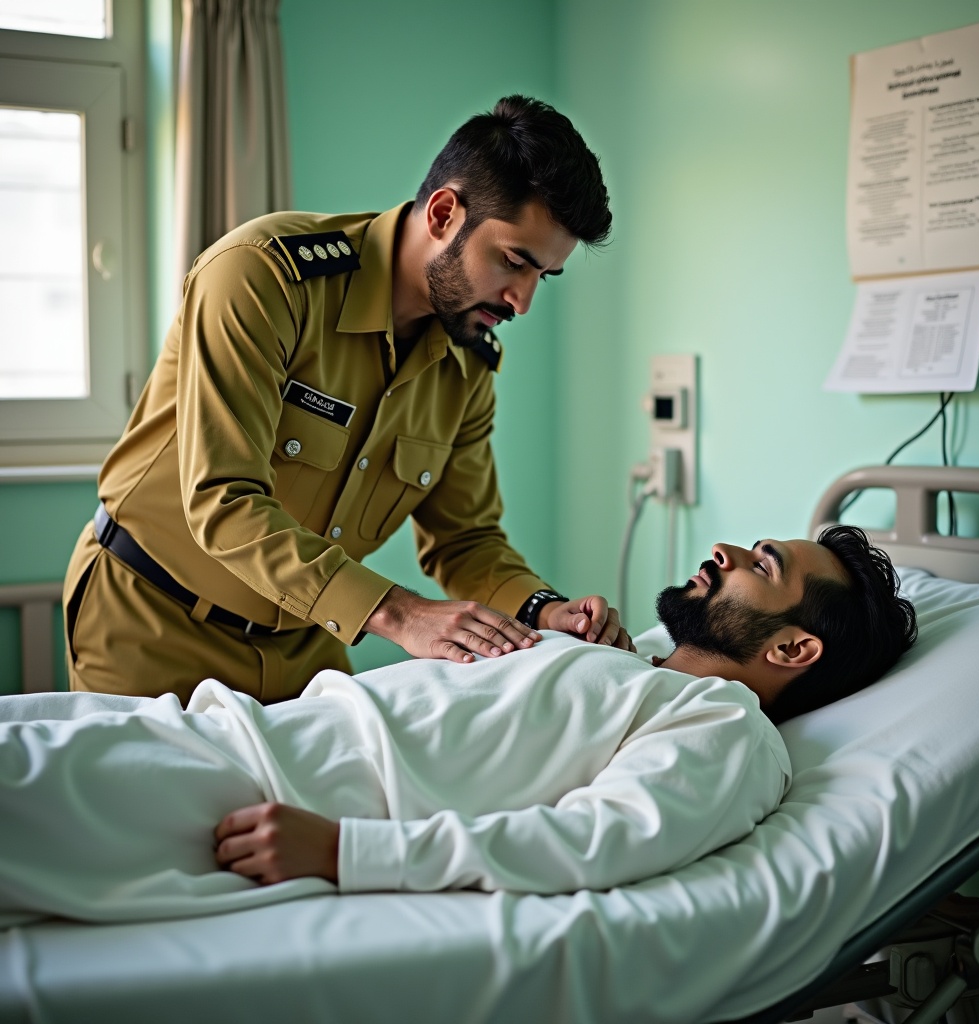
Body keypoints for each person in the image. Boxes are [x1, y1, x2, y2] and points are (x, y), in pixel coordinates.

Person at [1, 526, 916, 925]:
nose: (723, 550)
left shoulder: (727, 728)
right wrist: (563, 644)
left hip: (256, 796)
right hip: (220, 727)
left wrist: (344, 853)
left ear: (794, 651)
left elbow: (591, 841)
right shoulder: (630, 667)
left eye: (761, 563)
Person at [62, 95, 627, 706]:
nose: (522, 301)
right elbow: (223, 501)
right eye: (514, 261)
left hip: (308, 643)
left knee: (310, 808)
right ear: (443, 213)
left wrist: (545, 609)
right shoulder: (263, 277)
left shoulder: (468, 358)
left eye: (543, 275)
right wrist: (401, 615)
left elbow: (464, 539)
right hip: (153, 621)